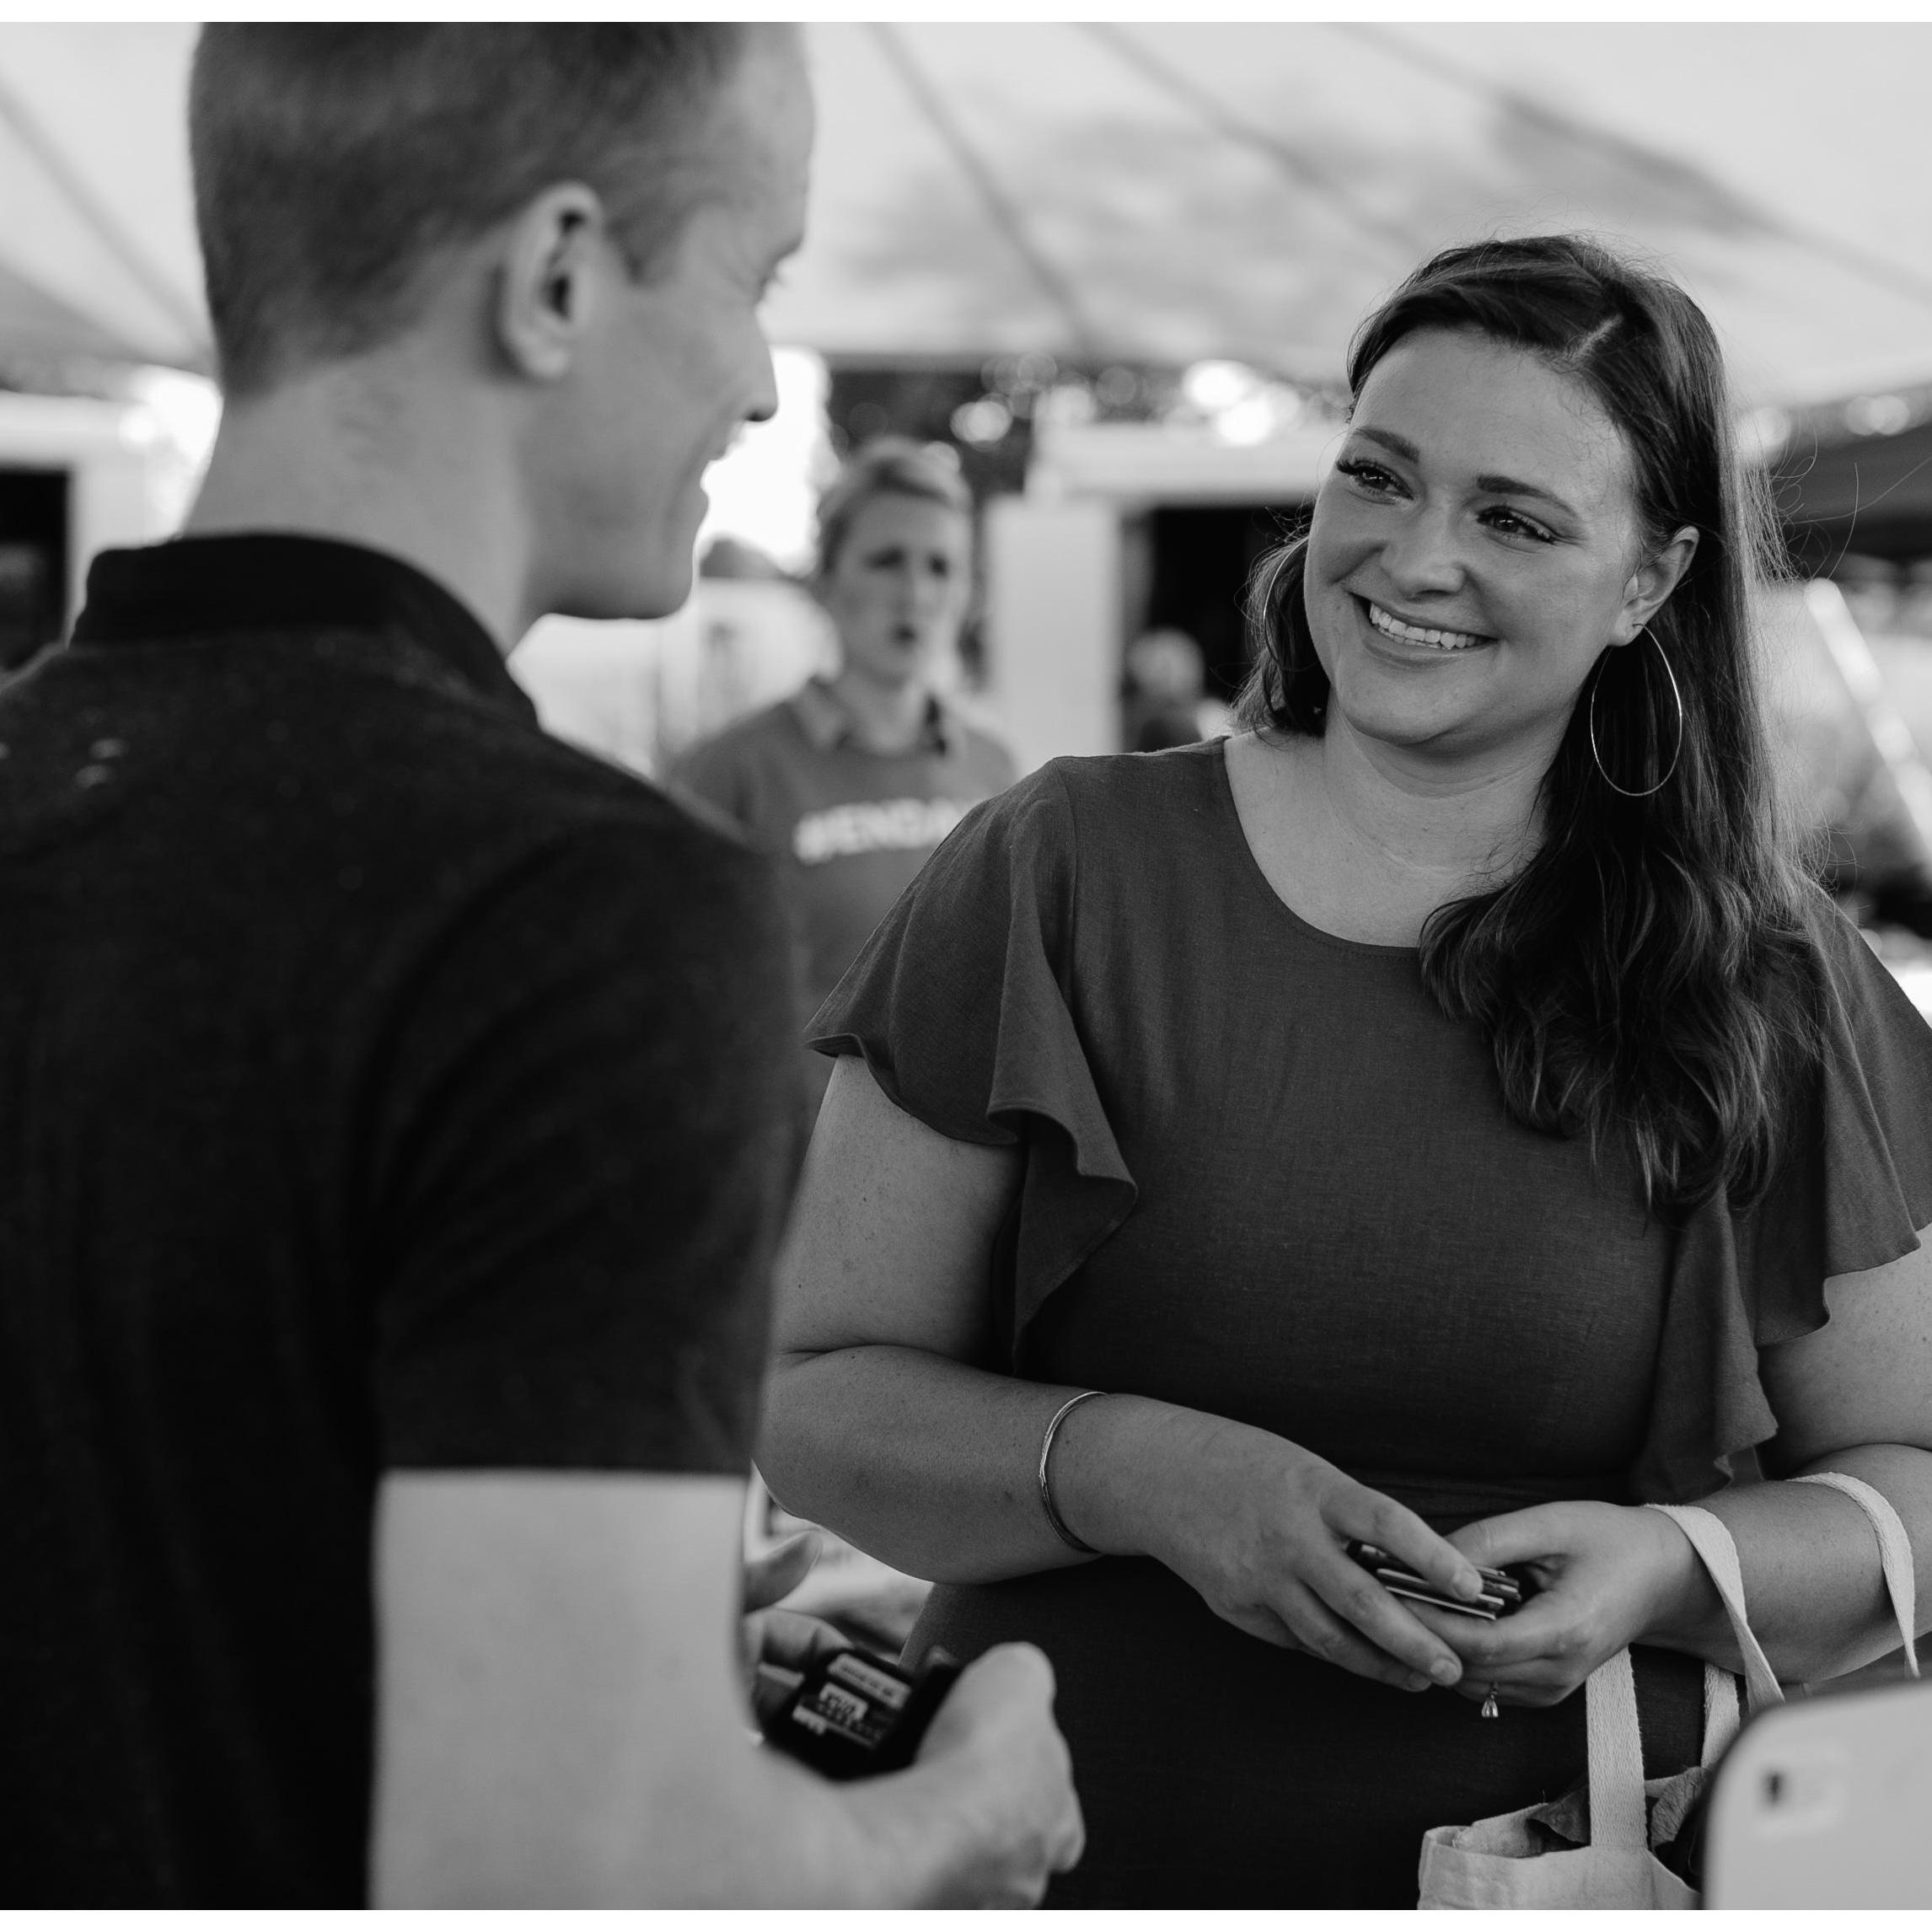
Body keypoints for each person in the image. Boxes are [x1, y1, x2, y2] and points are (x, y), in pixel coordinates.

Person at [0, 25, 1081, 1907]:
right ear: (559, 275)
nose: (758, 387)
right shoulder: (584, 910)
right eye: (754, 280)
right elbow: (557, 1874)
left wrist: (613, 1676)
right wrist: (962, 1813)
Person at [760, 235, 1932, 1906]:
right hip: (1057, 1863)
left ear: (1651, 584)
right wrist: (1135, 1473)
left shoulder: (1768, 969)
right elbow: (806, 1398)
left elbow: (1916, 1472)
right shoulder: (1060, 871)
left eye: (1515, 517)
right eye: (1376, 477)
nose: (1412, 557)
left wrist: (1683, 1564)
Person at [674, 437, 1016, 1114]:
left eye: (941, 566)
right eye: (887, 560)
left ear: (968, 592)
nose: (915, 593)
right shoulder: (733, 769)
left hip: (962, 1173)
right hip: (795, 1167)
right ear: (826, 580)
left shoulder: (993, 766)